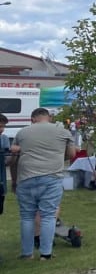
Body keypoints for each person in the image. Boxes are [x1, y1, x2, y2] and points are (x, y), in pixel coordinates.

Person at [10, 108, 75, 260]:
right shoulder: (63, 132)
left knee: (27, 217)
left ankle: (27, 253)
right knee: (48, 216)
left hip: (26, 177)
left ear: (32, 119)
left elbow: (14, 153)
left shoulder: (22, 132)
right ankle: (46, 254)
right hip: (51, 177)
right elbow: (72, 154)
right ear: (49, 118)